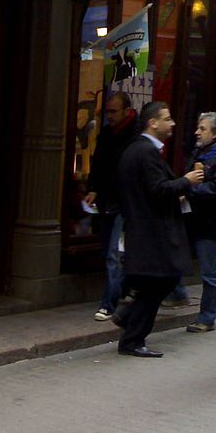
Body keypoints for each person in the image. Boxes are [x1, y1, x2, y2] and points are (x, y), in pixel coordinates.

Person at [113, 101, 204, 357]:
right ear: (153, 123)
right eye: (168, 118)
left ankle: (128, 319)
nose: (173, 123)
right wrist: (186, 181)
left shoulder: (138, 151)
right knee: (158, 283)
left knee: (156, 283)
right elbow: (157, 190)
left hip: (144, 229)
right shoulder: (144, 152)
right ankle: (132, 338)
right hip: (151, 232)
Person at [85, 91, 137, 321]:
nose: (109, 116)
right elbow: (99, 162)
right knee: (110, 251)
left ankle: (109, 303)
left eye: (114, 111)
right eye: (107, 111)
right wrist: (93, 188)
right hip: (107, 201)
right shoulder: (107, 133)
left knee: (114, 254)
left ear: (126, 111)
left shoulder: (135, 136)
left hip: (125, 203)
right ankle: (124, 289)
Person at [182, 112, 216, 332]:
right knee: (174, 258)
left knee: (209, 274)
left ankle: (207, 317)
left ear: (215, 133)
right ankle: (177, 294)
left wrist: (192, 190)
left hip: (211, 223)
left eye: (202, 129)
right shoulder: (200, 151)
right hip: (193, 218)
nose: (197, 132)